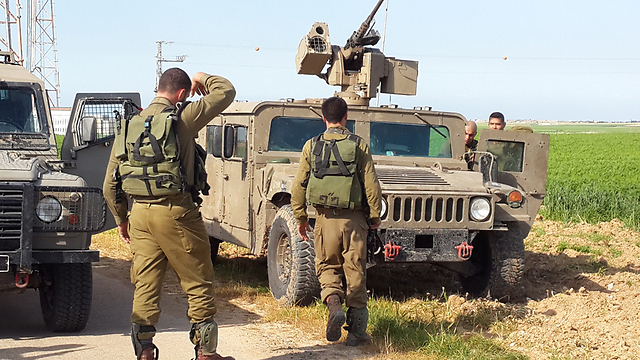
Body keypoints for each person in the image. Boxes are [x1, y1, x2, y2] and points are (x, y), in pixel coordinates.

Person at [103, 68, 236, 360]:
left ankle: (145, 351)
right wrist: (202, 77)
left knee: (145, 285)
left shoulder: (129, 125)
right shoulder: (183, 119)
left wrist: (121, 220)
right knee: (198, 281)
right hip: (177, 213)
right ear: (181, 94)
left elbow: (109, 185)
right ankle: (206, 353)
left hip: (139, 216)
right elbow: (226, 91)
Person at [291, 96, 382, 346]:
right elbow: (371, 184)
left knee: (327, 267)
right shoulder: (359, 145)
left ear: (323, 118)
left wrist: (300, 217)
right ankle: (356, 333)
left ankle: (333, 303)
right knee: (355, 270)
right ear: (346, 117)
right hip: (354, 221)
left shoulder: (311, 145)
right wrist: (374, 216)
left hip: (324, 219)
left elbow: (299, 185)